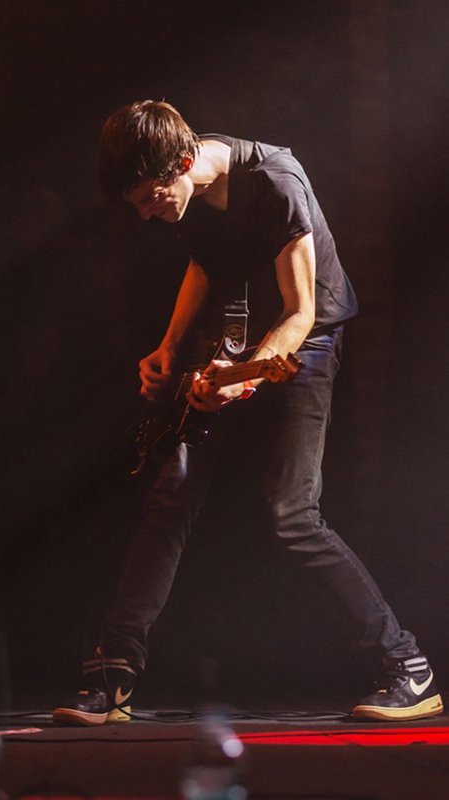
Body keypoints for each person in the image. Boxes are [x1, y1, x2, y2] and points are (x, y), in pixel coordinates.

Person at [53, 100, 443, 725]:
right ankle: (114, 676)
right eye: (139, 204)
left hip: (303, 343)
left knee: (292, 513)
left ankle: (406, 667)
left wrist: (243, 380)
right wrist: (170, 345)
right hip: (238, 342)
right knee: (172, 494)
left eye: (152, 198)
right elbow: (206, 263)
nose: (148, 213)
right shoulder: (189, 185)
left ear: (183, 164)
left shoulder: (275, 182)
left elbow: (299, 312)